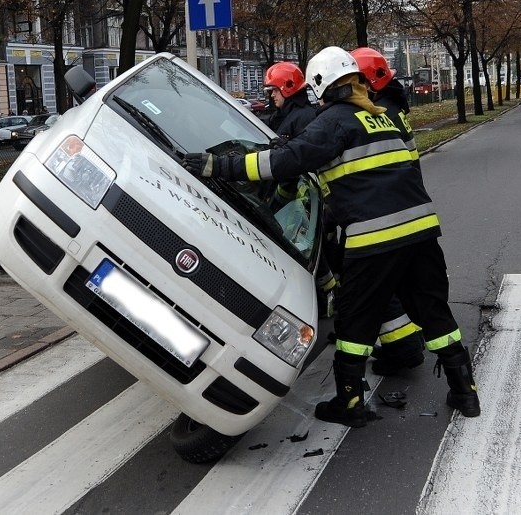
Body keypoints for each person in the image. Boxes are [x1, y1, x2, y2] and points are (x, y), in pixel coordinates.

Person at [183, 46, 480, 427]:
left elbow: (283, 163)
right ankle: (465, 392)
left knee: (355, 320)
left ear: (320, 84)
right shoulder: (386, 117)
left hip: (374, 238)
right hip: (421, 231)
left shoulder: (334, 121)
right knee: (435, 313)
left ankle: (350, 403)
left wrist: (218, 165)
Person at [350, 46, 425, 375]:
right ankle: (412, 333)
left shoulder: (383, 112)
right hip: (408, 200)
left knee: (382, 281)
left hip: (388, 205)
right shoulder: (396, 105)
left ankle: (405, 344)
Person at [263, 62, 336, 318]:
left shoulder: (303, 117)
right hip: (298, 197)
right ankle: (330, 299)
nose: (271, 96)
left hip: (306, 199)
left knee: (314, 254)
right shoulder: (286, 116)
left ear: (287, 87)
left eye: (274, 90)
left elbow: (299, 158)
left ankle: (330, 301)